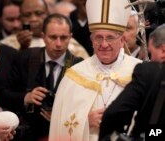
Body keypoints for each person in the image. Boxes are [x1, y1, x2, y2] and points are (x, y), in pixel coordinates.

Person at [49, 0, 142, 140]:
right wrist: (85, 122)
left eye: (110, 37)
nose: (104, 44)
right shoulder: (74, 76)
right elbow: (58, 127)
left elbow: (154, 121)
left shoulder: (141, 72)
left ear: (122, 40)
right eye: (98, 37)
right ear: (91, 40)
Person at [0, 13, 83, 140]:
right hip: (28, 134)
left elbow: (85, 108)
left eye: (64, 38)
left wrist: (62, 117)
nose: (58, 44)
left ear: (70, 37)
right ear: (43, 37)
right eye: (53, 37)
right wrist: (26, 98)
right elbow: (2, 96)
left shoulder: (79, 66)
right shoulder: (25, 58)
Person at [99, 24, 165, 141]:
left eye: (150, 53)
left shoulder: (149, 71)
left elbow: (114, 113)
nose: (150, 59)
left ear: (163, 50)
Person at [1, 0, 89, 59]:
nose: (33, 19)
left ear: (47, 14)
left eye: (39, 13)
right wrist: (23, 48)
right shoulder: (7, 44)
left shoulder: (68, 41)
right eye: (27, 15)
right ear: (20, 18)